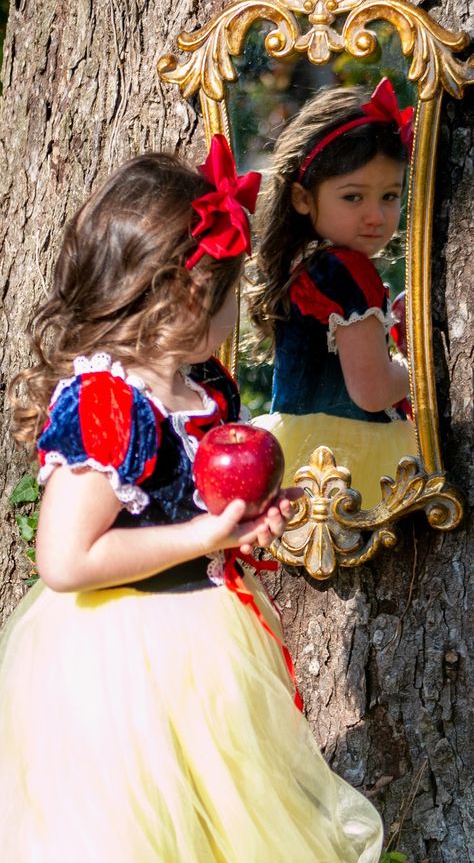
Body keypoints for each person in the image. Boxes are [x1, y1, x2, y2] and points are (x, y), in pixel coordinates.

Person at [0, 136, 383, 861]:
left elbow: (188, 508)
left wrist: (237, 529)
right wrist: (203, 537)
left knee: (217, 826)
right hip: (120, 660)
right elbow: (67, 558)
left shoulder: (205, 389)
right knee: (140, 829)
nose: (238, 309)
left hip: (202, 650)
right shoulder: (107, 401)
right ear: (183, 294)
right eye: (230, 291)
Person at [249, 78, 418, 508]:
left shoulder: (307, 264)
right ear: (303, 199)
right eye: (353, 197)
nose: (376, 216)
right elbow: (373, 390)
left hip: (299, 443)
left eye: (390, 195)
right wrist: (417, 367)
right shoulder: (345, 270)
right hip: (346, 454)